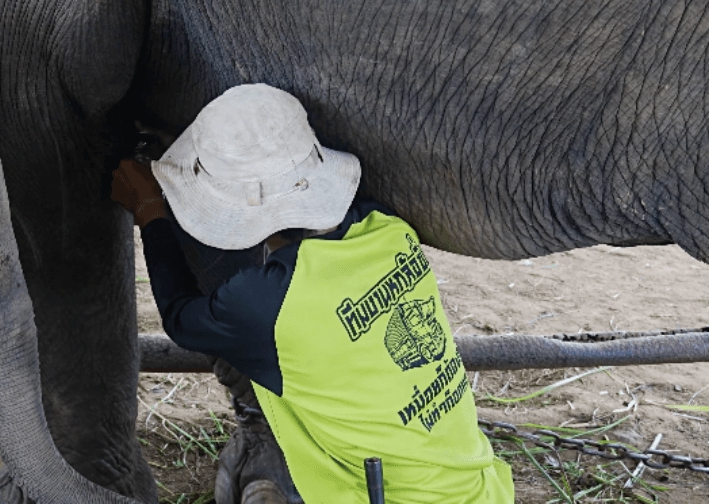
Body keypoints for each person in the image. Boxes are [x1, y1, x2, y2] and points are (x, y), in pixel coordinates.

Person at [111, 84, 514, 504]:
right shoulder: (390, 233)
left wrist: (150, 212)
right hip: (483, 488)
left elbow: (180, 316)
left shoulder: (267, 307)